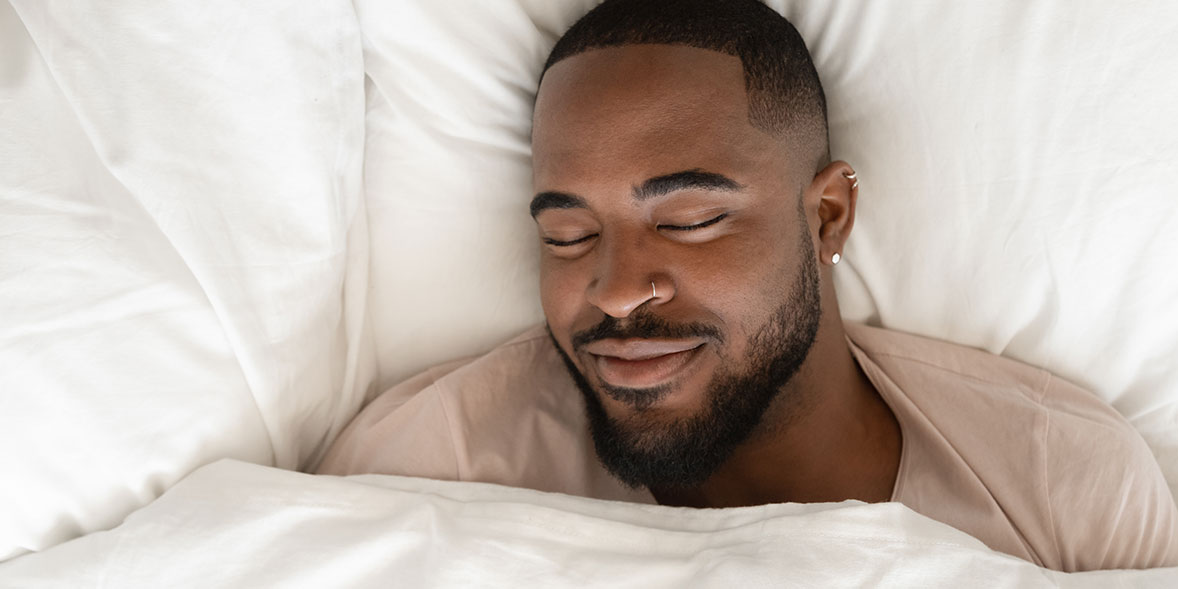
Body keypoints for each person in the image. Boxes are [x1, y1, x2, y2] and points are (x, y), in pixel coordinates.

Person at [318, 0, 1178, 572]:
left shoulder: (1063, 482)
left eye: (689, 220)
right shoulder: (424, 474)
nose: (615, 292)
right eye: (568, 234)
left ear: (828, 216)